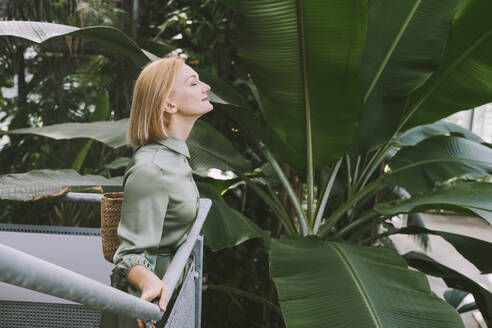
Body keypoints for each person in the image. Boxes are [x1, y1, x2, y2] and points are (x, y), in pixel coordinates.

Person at [100, 55, 213, 328]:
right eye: (193, 82)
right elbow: (129, 255)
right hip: (145, 308)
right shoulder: (153, 168)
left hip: (167, 299)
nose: (206, 86)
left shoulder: (173, 159)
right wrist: (148, 281)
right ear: (168, 103)